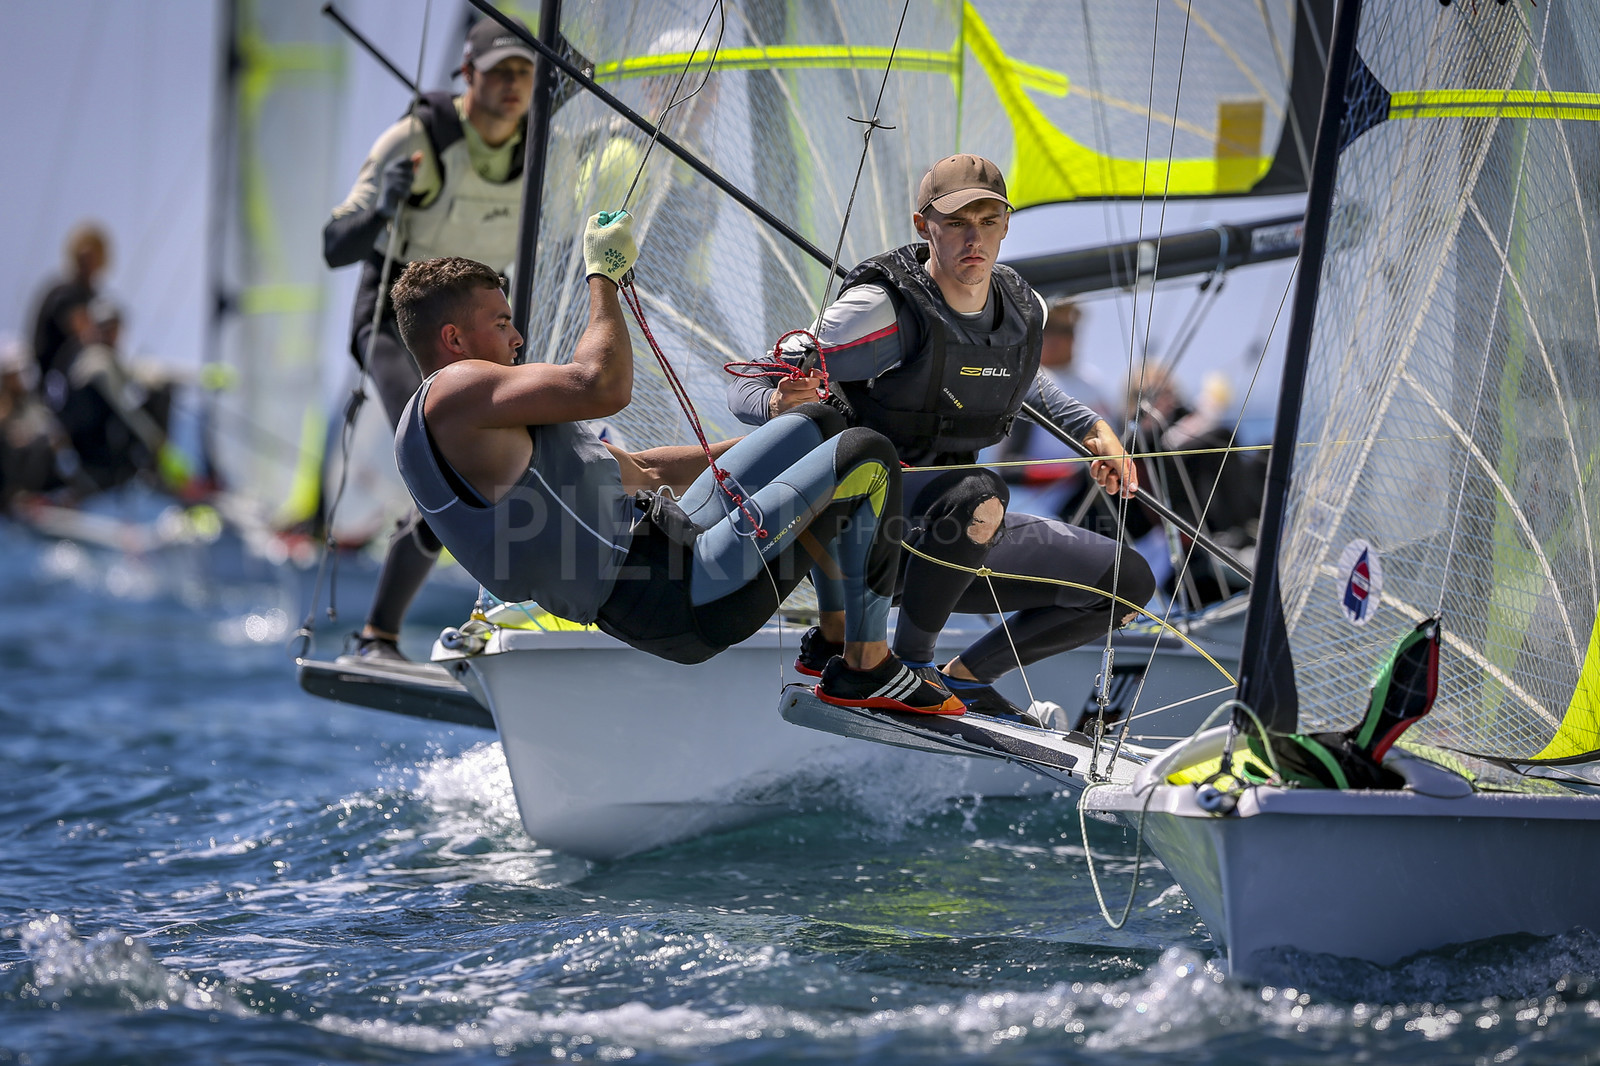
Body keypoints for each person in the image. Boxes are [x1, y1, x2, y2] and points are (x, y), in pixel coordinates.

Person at [388, 218, 962, 714]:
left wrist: (780, 430)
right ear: (453, 339)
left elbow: (645, 470)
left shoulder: (481, 425)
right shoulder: (453, 390)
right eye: (500, 323)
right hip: (675, 597)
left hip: (677, 546)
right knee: (867, 454)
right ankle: (867, 665)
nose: (517, 338)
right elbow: (602, 384)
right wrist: (602, 277)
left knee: (822, 426)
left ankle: (833, 644)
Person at [726, 154, 1157, 721]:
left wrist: (1095, 431)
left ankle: (966, 679)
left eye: (988, 221)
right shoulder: (877, 312)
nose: (973, 239)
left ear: (1006, 226)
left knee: (1127, 582)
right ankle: (906, 669)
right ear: (923, 225)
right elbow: (749, 381)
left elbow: (1023, 383)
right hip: (863, 542)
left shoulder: (1022, 310)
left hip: (952, 538)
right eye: (956, 222)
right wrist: (775, 403)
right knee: (980, 494)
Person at [322, 15, 538, 661]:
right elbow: (335, 246)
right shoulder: (415, 140)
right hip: (398, 327)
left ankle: (513, 626)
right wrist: (380, 208)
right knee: (447, 462)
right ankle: (377, 637)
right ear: (467, 74)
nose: (512, 85)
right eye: (498, 72)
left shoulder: (546, 143)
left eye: (524, 73)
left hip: (481, 327)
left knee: (516, 464)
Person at [29, 223, 111, 410]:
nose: (88, 264)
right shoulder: (66, 294)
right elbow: (87, 334)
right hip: (56, 383)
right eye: (84, 258)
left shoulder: (90, 296)